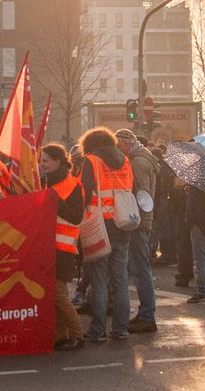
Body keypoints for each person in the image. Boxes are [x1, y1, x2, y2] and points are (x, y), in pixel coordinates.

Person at [77, 127, 134, 342]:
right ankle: (121, 328)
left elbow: (84, 193)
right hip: (122, 224)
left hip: (98, 225)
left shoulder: (91, 161)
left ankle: (98, 329)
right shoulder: (125, 160)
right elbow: (130, 188)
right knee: (120, 280)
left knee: (99, 280)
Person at [41, 143, 85, 351]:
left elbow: (76, 216)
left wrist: (54, 200)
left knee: (59, 294)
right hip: (48, 246)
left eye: (46, 160)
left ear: (58, 161)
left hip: (64, 248)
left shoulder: (72, 185)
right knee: (53, 294)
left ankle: (77, 334)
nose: (42, 164)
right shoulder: (45, 182)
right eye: (41, 160)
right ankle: (60, 335)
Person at [116, 129, 158, 333]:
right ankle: (145, 314)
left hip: (138, 221)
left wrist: (133, 217)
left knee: (140, 269)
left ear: (125, 144)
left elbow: (141, 195)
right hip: (142, 220)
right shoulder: (143, 159)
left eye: (119, 146)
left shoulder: (137, 164)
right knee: (140, 268)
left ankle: (147, 315)